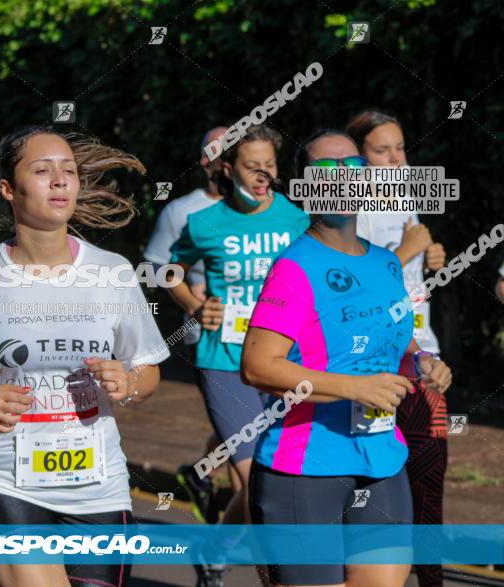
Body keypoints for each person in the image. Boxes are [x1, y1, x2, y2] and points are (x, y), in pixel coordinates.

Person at [0, 126, 169, 587]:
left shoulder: (112, 272)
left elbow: (148, 368)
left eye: (68, 170)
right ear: (8, 189)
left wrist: (128, 382)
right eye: (43, 171)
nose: (60, 180)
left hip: (97, 486)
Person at [241, 128, 452, 587]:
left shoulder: (385, 263)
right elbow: (259, 366)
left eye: (352, 167)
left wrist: (422, 364)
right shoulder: (295, 267)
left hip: (382, 463)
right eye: (326, 170)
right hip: (304, 470)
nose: (342, 178)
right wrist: (356, 387)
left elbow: (397, 343)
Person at [166, 124, 309, 586]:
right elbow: (170, 269)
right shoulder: (205, 223)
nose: (264, 174)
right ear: (228, 169)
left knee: (275, 482)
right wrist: (194, 304)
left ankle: (216, 548)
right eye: (253, 166)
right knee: (256, 483)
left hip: (286, 361)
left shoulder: (296, 218)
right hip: (224, 361)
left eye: (270, 164)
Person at [346, 111, 449, 587]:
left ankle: (430, 579)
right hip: (369, 363)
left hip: (421, 353)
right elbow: (352, 287)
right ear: (357, 156)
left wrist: (431, 256)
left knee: (430, 476)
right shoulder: (345, 208)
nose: (395, 159)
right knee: (368, 483)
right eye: (381, 150)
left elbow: (412, 271)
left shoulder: (404, 189)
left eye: (401, 147)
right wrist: (408, 251)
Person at [144, 126, 236, 524]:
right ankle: (244, 518)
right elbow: (155, 269)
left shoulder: (267, 211)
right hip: (209, 339)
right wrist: (193, 300)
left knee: (253, 424)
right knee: (242, 429)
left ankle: (202, 476)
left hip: (266, 337)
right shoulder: (182, 211)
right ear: (206, 161)